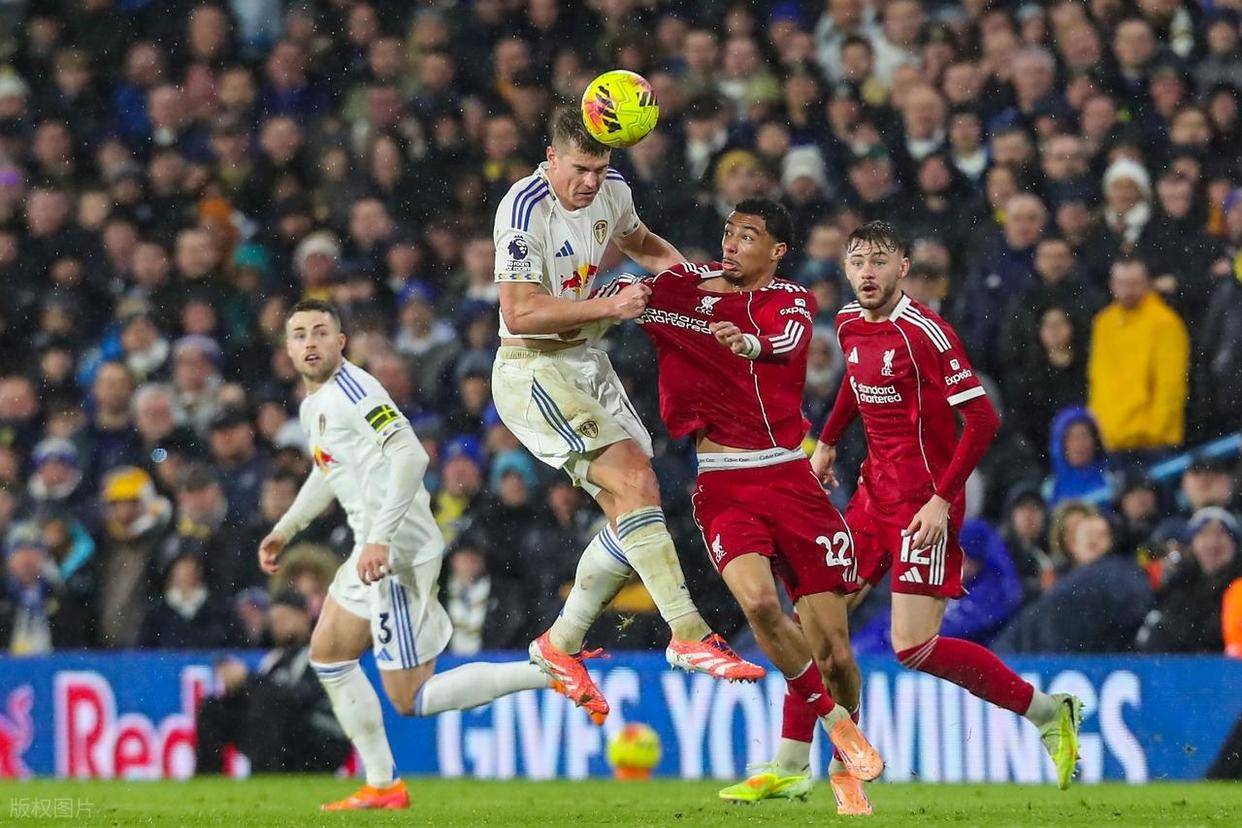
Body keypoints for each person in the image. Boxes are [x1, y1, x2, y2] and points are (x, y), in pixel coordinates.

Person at [602, 199, 882, 811]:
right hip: (723, 482)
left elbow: (785, 341)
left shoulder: (791, 300)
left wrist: (749, 344)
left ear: (776, 251)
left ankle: (819, 769)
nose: (732, 245)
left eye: (748, 236)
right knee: (757, 604)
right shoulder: (681, 289)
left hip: (790, 479)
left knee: (833, 648)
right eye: (728, 233)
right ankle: (837, 725)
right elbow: (625, 276)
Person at [490, 107, 762, 724]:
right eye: (580, 169)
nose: (591, 182)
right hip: (533, 368)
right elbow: (520, 314)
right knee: (636, 483)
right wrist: (611, 304)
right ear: (552, 158)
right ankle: (689, 632)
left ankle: (559, 646)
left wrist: (693, 279)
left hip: (585, 362)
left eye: (601, 168)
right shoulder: (524, 207)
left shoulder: (613, 192)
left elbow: (642, 244)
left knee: (634, 507)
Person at [805, 221, 1083, 791]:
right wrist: (829, 441)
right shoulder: (850, 325)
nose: (866, 272)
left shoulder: (927, 332)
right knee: (820, 620)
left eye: (879, 261)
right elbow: (857, 386)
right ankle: (834, 763)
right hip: (871, 495)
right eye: (857, 261)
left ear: (902, 267)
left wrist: (939, 501)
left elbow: (982, 419)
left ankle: (1049, 713)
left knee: (913, 646)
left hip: (924, 506)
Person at [259, 300, 552, 811]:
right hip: (371, 548)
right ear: (287, 348)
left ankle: (546, 670)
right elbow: (331, 471)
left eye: (320, 332)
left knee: (410, 698)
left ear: (341, 341)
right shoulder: (313, 405)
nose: (310, 342)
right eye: (299, 334)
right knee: (328, 656)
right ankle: (383, 783)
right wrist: (286, 528)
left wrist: (379, 540)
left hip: (393, 551)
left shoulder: (356, 390)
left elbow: (412, 455)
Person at [195, 590, 351, 775]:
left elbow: (299, 697)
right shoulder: (275, 660)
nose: (279, 626)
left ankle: (263, 775)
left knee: (268, 703)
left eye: (285, 617)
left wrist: (248, 680)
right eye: (274, 620)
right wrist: (235, 690)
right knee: (214, 707)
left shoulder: (321, 653)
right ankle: (207, 777)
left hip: (324, 738)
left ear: (305, 616)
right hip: (290, 738)